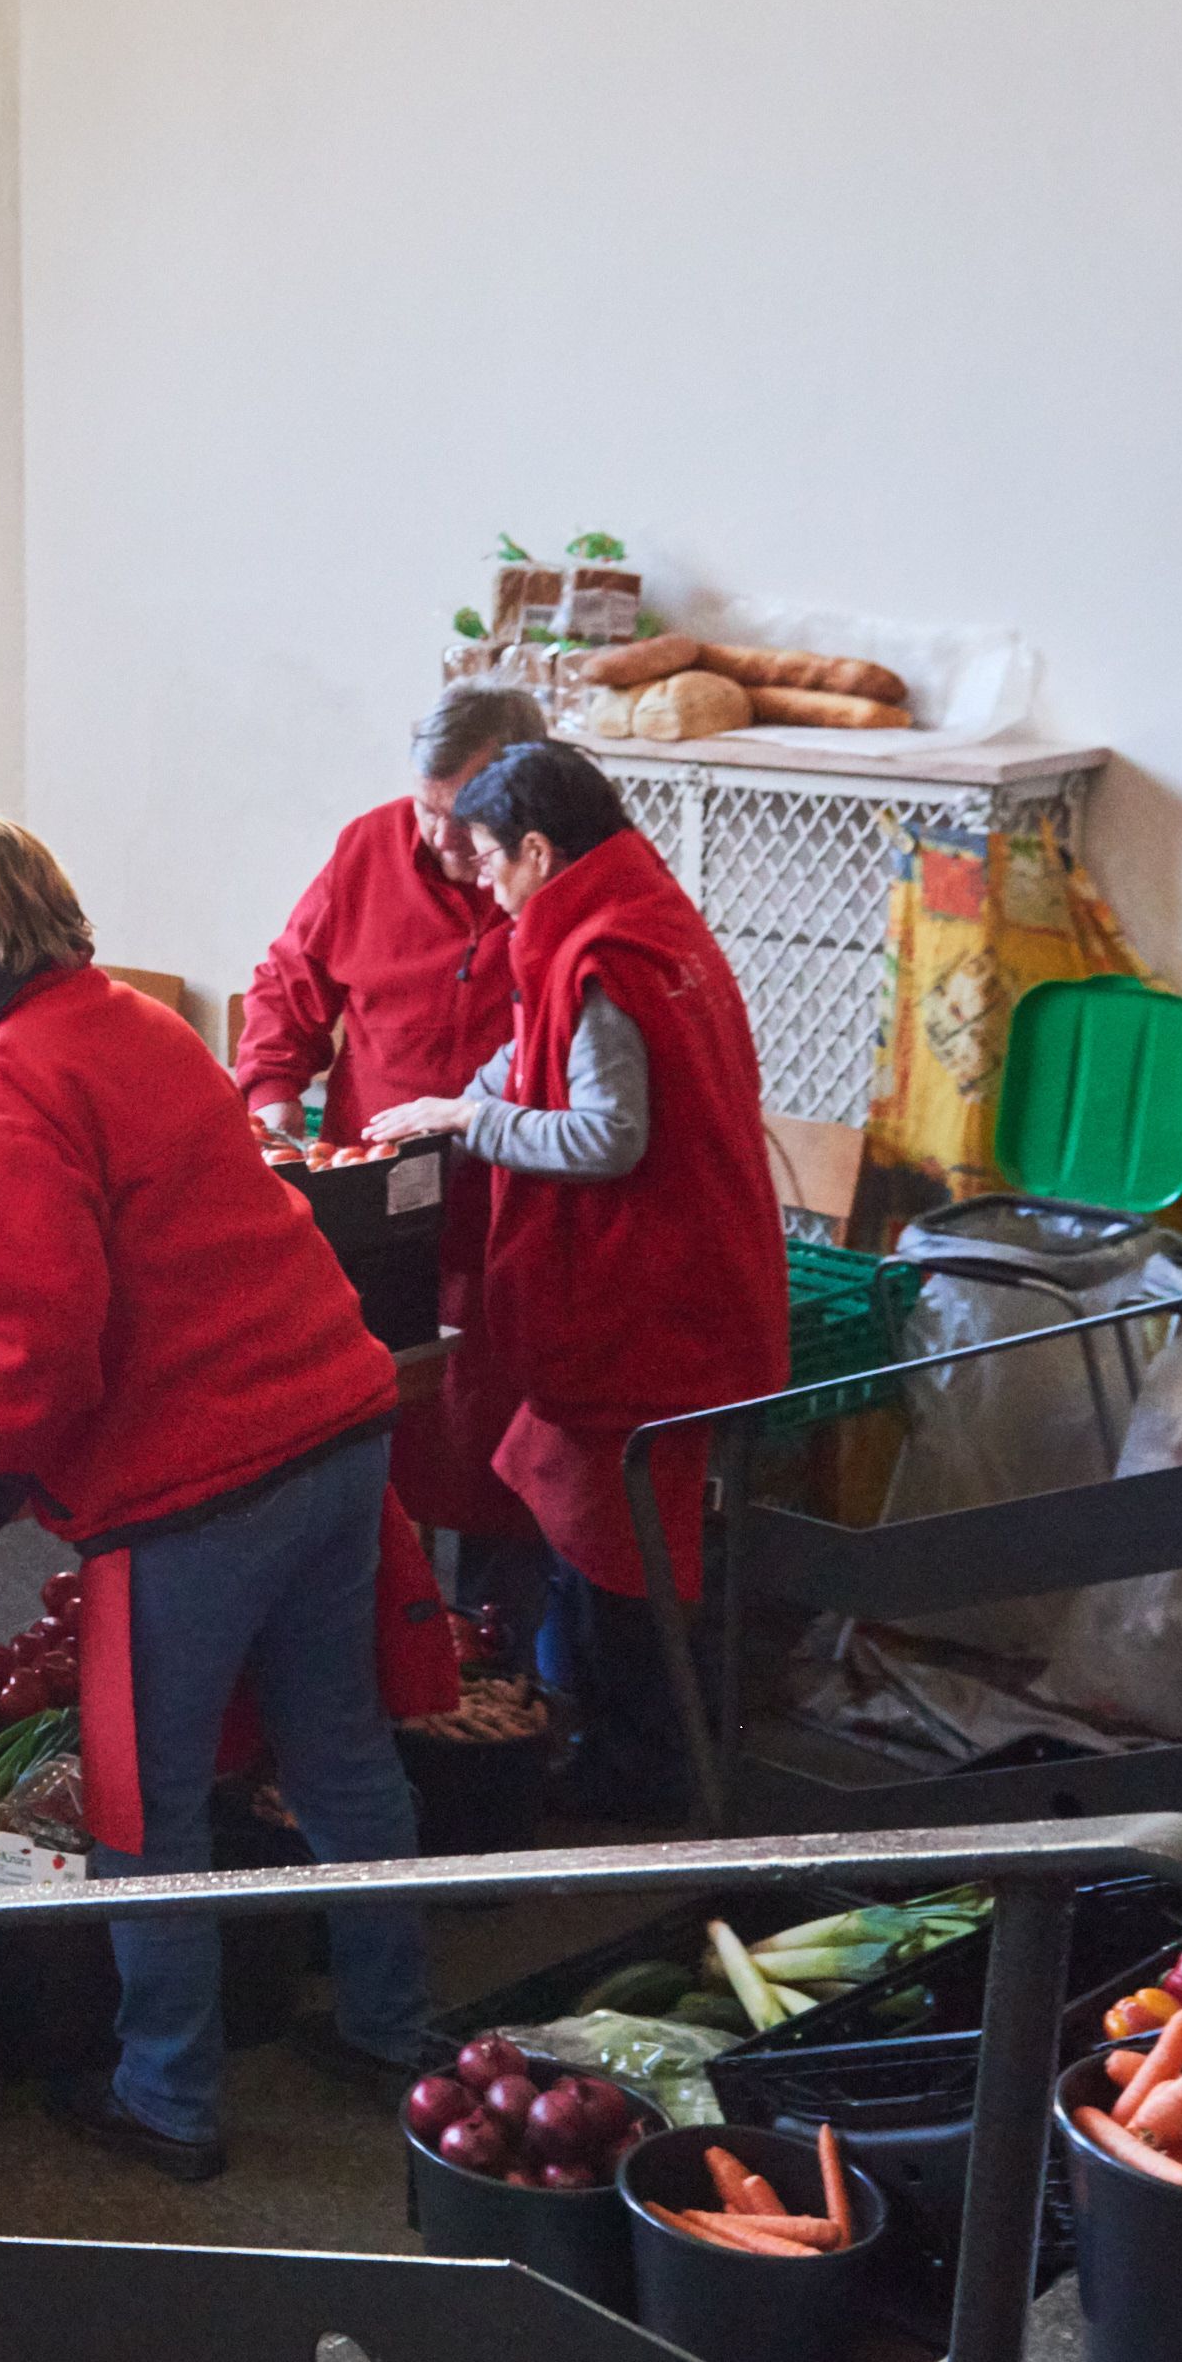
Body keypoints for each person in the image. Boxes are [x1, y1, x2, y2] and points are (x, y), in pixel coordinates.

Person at [0, 812, 425, 2178]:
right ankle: (390, 2027)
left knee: (150, 1805)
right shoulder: (139, 1025)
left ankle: (168, 2098)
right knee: (338, 1748)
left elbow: (30, 1375)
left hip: (199, 1483)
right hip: (333, 1421)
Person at [369, 743, 789, 1821]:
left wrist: (471, 1121)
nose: (482, 883)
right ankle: (611, 1745)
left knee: (619, 1551)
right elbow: (531, 1060)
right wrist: (441, 1110)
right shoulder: (651, 919)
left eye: (488, 860)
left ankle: (635, 1783)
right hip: (682, 1289)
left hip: (643, 1307)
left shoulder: (601, 956)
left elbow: (607, 1134)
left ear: (539, 850)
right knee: (591, 1524)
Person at [233, 681, 548, 1603]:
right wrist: (274, 1102)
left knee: (502, 1456)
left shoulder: (549, 878)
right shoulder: (369, 847)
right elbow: (288, 984)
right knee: (361, 1438)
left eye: (466, 815)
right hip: (369, 1201)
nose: (443, 839)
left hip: (510, 1207)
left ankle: (493, 1646)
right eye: (427, 807)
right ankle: (383, 1638)